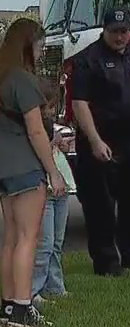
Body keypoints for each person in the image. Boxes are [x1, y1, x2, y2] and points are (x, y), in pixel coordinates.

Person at [70, 7, 130, 276]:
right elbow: (80, 104)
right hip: (100, 139)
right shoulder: (89, 59)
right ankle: (106, 262)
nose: (120, 37)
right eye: (115, 32)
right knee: (100, 204)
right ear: (104, 30)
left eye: (125, 31)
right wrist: (95, 141)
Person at [0, 18, 65, 327]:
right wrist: (55, 173)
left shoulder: (1, 78)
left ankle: (8, 304)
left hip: (2, 168)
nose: (41, 52)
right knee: (29, 237)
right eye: (39, 46)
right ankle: (24, 307)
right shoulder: (23, 80)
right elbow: (37, 132)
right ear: (28, 45)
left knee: (11, 238)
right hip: (26, 166)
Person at [31, 79, 77, 310]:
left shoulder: (51, 126)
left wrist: (60, 144)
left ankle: (55, 286)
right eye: (48, 107)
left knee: (57, 242)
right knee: (45, 242)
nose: (51, 111)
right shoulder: (33, 128)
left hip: (62, 186)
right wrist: (53, 142)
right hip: (46, 188)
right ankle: (33, 290)